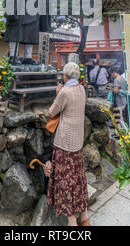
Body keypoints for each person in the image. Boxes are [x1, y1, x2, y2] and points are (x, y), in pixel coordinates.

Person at [44, 62, 89, 227]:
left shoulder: (64, 91)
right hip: (77, 140)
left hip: (64, 141)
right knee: (78, 178)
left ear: (65, 76)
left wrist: (57, 94)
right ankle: (84, 218)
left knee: (65, 181)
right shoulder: (81, 89)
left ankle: (72, 222)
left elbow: (51, 112)